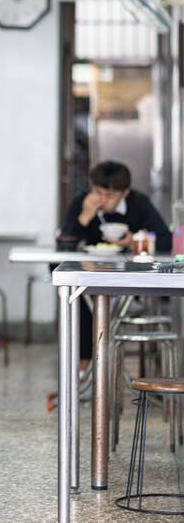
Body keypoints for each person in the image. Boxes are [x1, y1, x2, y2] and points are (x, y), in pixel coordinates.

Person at [57, 160, 172, 375]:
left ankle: (88, 376)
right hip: (90, 275)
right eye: (98, 192)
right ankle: (84, 372)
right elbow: (63, 245)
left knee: (89, 301)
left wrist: (134, 242)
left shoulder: (139, 203)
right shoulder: (84, 202)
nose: (102, 199)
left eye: (109, 195)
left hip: (128, 280)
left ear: (125, 193)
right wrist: (84, 216)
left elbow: (167, 239)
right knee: (79, 296)